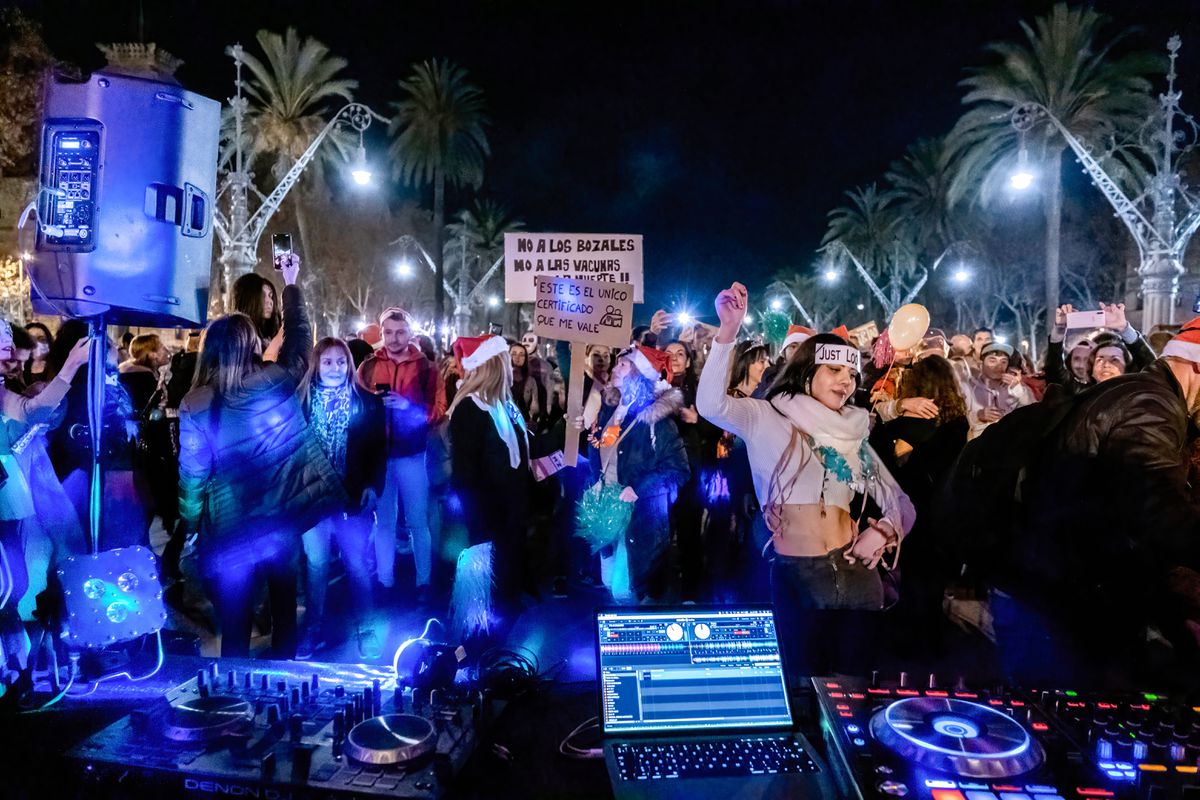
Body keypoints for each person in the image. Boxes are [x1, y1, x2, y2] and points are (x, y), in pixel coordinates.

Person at [696, 283, 914, 674]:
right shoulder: (765, 416)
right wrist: (727, 330)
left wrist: (882, 532)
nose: (846, 382)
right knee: (800, 685)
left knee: (854, 692)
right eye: (834, 369)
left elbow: (902, 504)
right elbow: (711, 405)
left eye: (851, 373)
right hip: (798, 575)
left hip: (857, 575)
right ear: (807, 370)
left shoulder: (852, 431)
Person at [991, 317, 1200, 689]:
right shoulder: (1150, 405)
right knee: (1080, 724)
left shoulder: (1134, 392)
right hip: (1076, 599)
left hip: (1049, 583)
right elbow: (1159, 512)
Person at [179, 254, 345, 658]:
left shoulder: (196, 403)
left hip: (232, 525)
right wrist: (291, 286)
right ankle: (282, 685)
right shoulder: (275, 381)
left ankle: (234, 697)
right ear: (251, 346)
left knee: (235, 619)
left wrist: (188, 522)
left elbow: (192, 477)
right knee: (284, 602)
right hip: (280, 518)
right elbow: (301, 342)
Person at [0, 322, 88, 694]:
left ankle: (20, 670)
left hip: (26, 499)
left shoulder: (8, 393)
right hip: (20, 500)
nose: (12, 359)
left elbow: (37, 410)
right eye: (5, 349)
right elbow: (36, 412)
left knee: (19, 585)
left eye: (14, 351)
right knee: (13, 586)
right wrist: (69, 367)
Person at [298, 337, 386, 660]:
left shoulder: (368, 403)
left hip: (352, 499)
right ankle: (313, 629)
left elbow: (379, 451)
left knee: (358, 565)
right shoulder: (302, 402)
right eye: (327, 362)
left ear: (349, 364)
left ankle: (367, 627)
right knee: (316, 567)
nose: (335, 368)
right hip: (314, 502)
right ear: (316, 366)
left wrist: (374, 486)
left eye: (340, 362)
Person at [586, 345, 688, 602]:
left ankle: (635, 638)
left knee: (627, 589)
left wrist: (638, 490)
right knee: (610, 583)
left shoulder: (657, 420)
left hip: (640, 519)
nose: (615, 368)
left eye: (623, 364)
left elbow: (678, 469)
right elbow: (602, 454)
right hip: (608, 513)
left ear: (639, 374)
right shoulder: (611, 409)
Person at [447, 335, 530, 641]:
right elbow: (465, 473)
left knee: (504, 592)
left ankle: (498, 649)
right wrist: (481, 523)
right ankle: (478, 654)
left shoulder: (508, 405)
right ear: (495, 364)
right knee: (485, 597)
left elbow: (527, 446)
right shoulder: (470, 408)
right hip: (487, 517)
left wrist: (568, 427)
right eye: (506, 360)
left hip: (509, 513)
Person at [356, 308, 438, 601]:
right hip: (380, 456)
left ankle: (424, 583)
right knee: (384, 522)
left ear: (409, 332)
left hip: (412, 454)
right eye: (388, 332)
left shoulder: (426, 367)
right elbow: (357, 407)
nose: (393, 338)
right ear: (381, 332)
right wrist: (373, 408)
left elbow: (437, 412)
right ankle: (385, 582)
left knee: (418, 521)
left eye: (400, 331)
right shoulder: (367, 366)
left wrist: (407, 408)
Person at [1045, 303, 1154, 396]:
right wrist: (1059, 330)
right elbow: (1055, 372)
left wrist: (1124, 329)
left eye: (1114, 360)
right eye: (1099, 359)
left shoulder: (1136, 394)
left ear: (1127, 368)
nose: (1106, 364)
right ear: (1091, 370)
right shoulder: (1082, 395)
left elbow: (1154, 371)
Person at [964, 341, 1033, 440]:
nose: (998, 366)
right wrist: (978, 415)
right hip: (979, 447)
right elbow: (957, 418)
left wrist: (1017, 388)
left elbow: (1030, 412)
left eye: (1003, 361)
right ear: (981, 363)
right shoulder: (968, 386)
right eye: (992, 360)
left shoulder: (1016, 387)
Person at [231, 272, 282, 358]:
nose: (269, 301)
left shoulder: (269, 335)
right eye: (262, 296)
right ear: (248, 299)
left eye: (270, 296)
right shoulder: (237, 337)